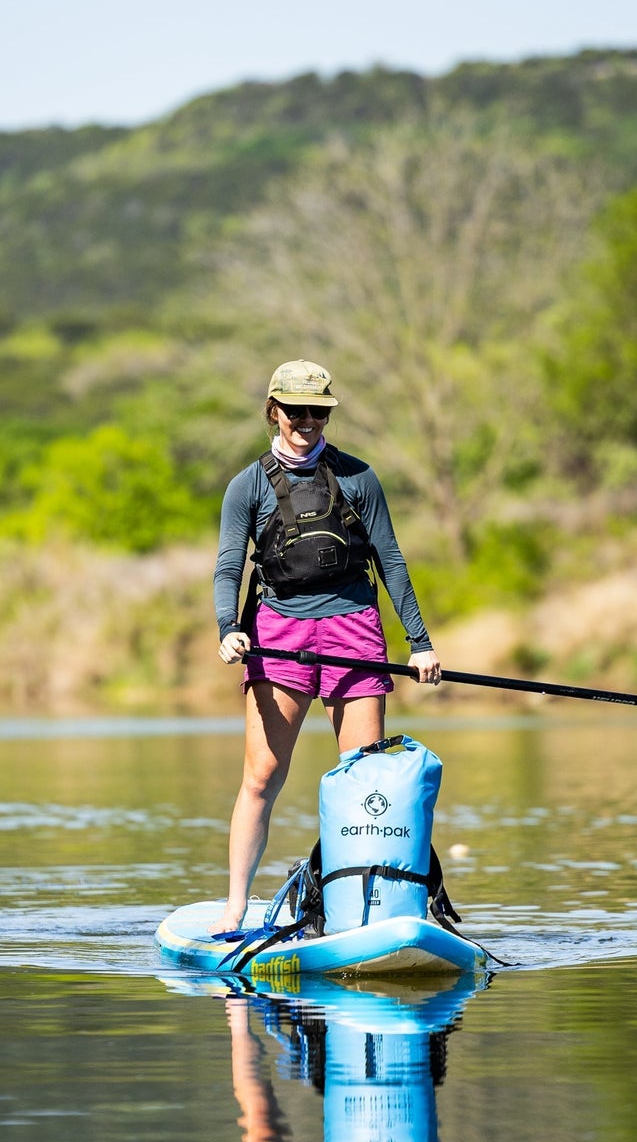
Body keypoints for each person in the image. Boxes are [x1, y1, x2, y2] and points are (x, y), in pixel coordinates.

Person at [210, 359, 440, 936]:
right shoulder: (248, 486)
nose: (309, 421)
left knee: (363, 780)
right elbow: (229, 567)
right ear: (274, 411)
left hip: (354, 628)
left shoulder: (359, 478)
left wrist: (420, 643)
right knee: (262, 775)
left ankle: (359, 911)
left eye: (320, 411)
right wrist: (226, 629)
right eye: (297, 410)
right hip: (277, 633)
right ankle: (235, 905)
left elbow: (391, 560)